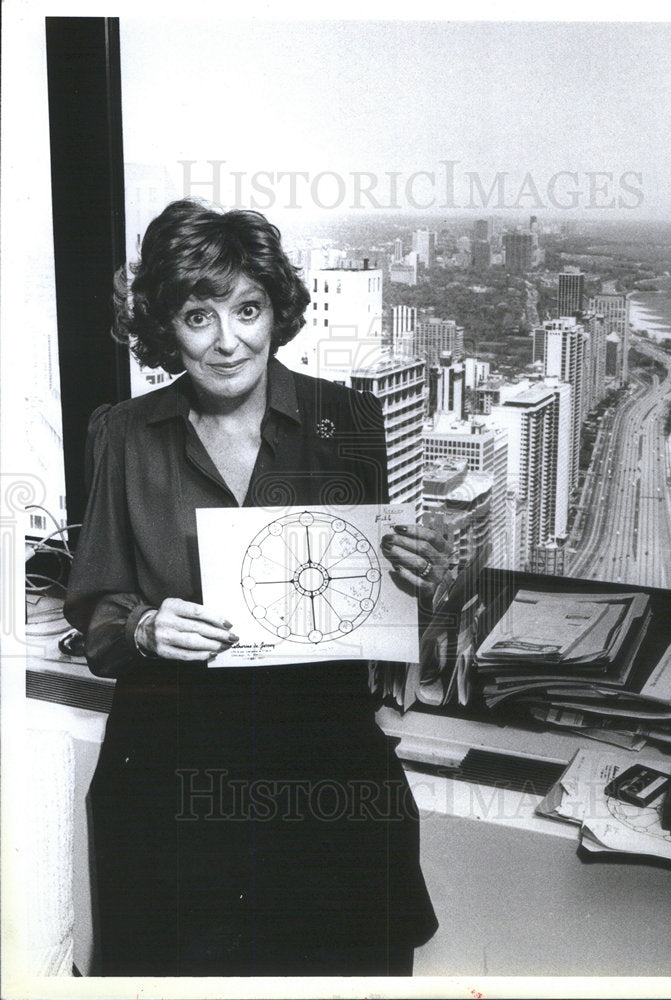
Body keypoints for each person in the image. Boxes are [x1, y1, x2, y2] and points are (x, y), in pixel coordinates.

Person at [63, 199, 444, 976]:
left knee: (346, 967)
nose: (228, 340)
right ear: (166, 330)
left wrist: (418, 575)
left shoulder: (349, 418)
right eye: (198, 317)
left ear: (277, 310)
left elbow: (371, 603)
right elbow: (97, 611)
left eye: (247, 309)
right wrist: (141, 629)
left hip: (323, 759)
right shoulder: (125, 434)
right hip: (173, 764)